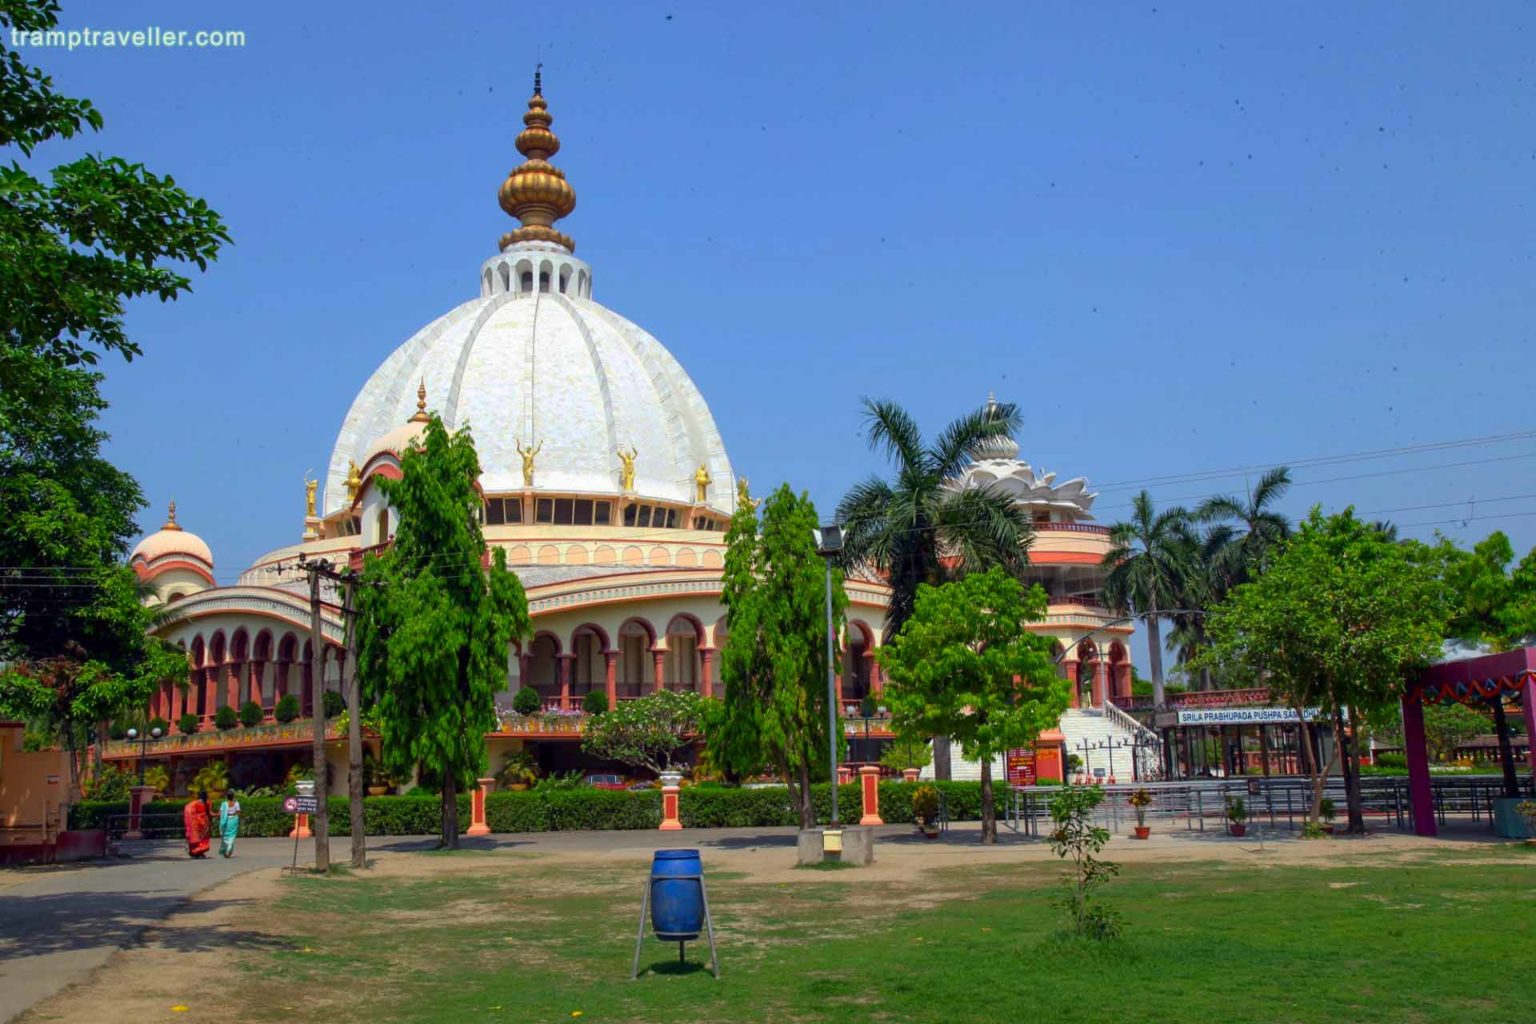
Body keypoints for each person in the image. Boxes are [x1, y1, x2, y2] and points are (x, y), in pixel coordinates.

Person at [183, 789, 211, 858]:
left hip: (196, 822)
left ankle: (194, 852)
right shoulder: (208, 802)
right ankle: (200, 852)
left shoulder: (194, 803)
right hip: (204, 823)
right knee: (203, 838)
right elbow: (209, 813)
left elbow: (188, 811)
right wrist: (218, 814)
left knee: (195, 837)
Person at [217, 792, 241, 858]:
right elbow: (238, 812)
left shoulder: (224, 804)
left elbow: (220, 813)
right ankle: (229, 847)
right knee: (232, 835)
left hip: (225, 820)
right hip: (233, 820)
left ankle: (226, 849)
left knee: (225, 835)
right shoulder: (236, 803)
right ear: (233, 796)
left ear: (227, 797)